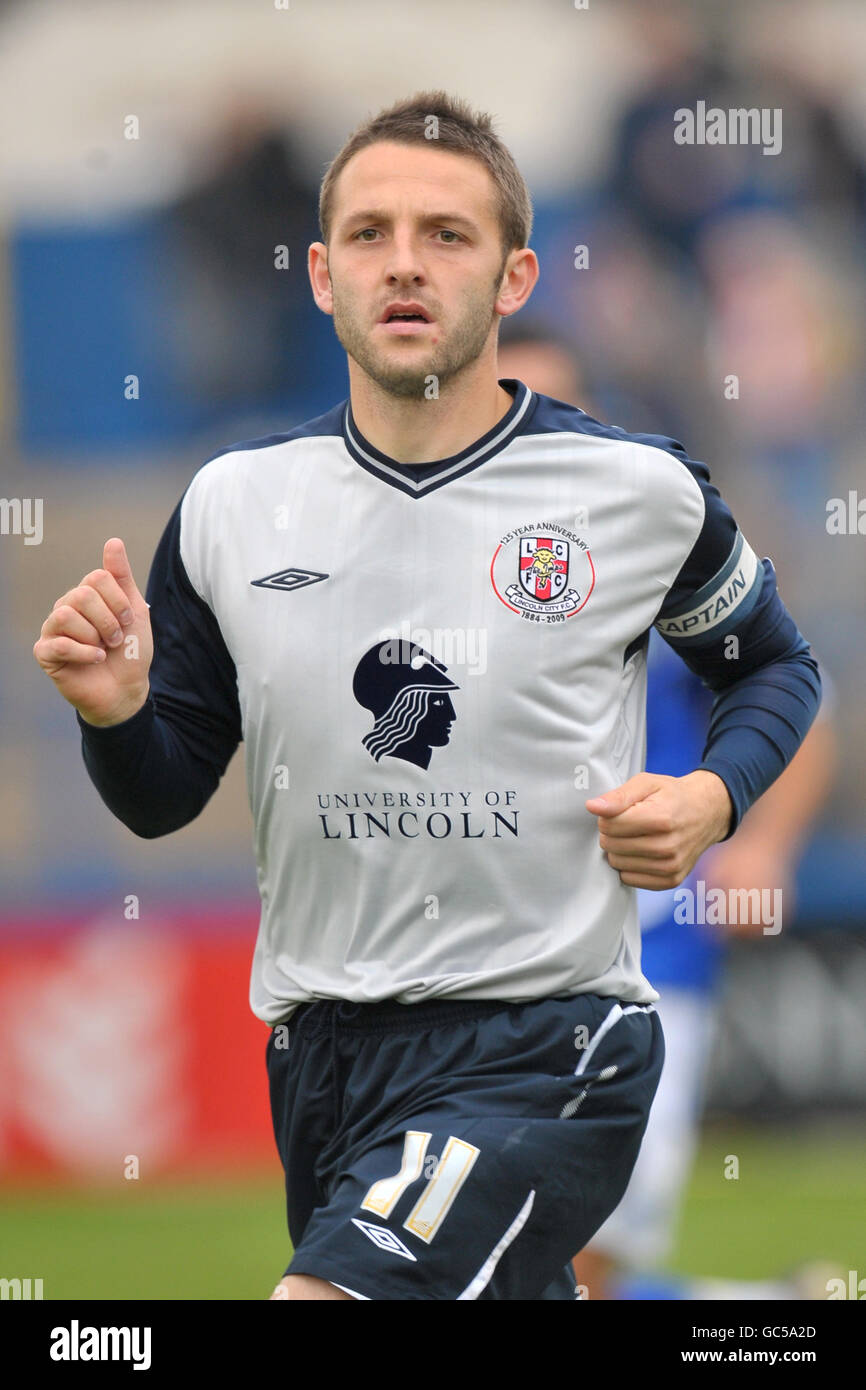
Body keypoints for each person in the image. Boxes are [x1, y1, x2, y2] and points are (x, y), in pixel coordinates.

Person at [33, 91, 821, 1302]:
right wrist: (113, 712)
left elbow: (774, 663)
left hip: (547, 1041)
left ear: (511, 278)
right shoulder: (235, 506)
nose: (403, 263)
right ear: (318, 274)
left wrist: (716, 796)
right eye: (369, 233)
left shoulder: (633, 492)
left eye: (445, 235)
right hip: (322, 1059)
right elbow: (161, 794)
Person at [498, 325, 837, 1300]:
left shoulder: (650, 548)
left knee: (569, 1261)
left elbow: (798, 698)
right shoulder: (450, 561)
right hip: (495, 956)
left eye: (552, 406)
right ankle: (765, 1313)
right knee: (521, 1267)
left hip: (646, 956)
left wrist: (758, 837)